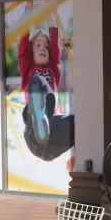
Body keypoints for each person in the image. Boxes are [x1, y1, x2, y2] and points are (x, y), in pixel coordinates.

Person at [18, 27, 74, 162]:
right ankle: (38, 118)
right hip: (34, 138)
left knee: (79, 124)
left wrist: (52, 23)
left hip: (53, 134)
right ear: (31, 52)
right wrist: (30, 12)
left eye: (46, 46)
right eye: (38, 45)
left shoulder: (53, 71)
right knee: (37, 82)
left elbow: (55, 50)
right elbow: (23, 51)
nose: (43, 48)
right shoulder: (28, 71)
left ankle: (43, 120)